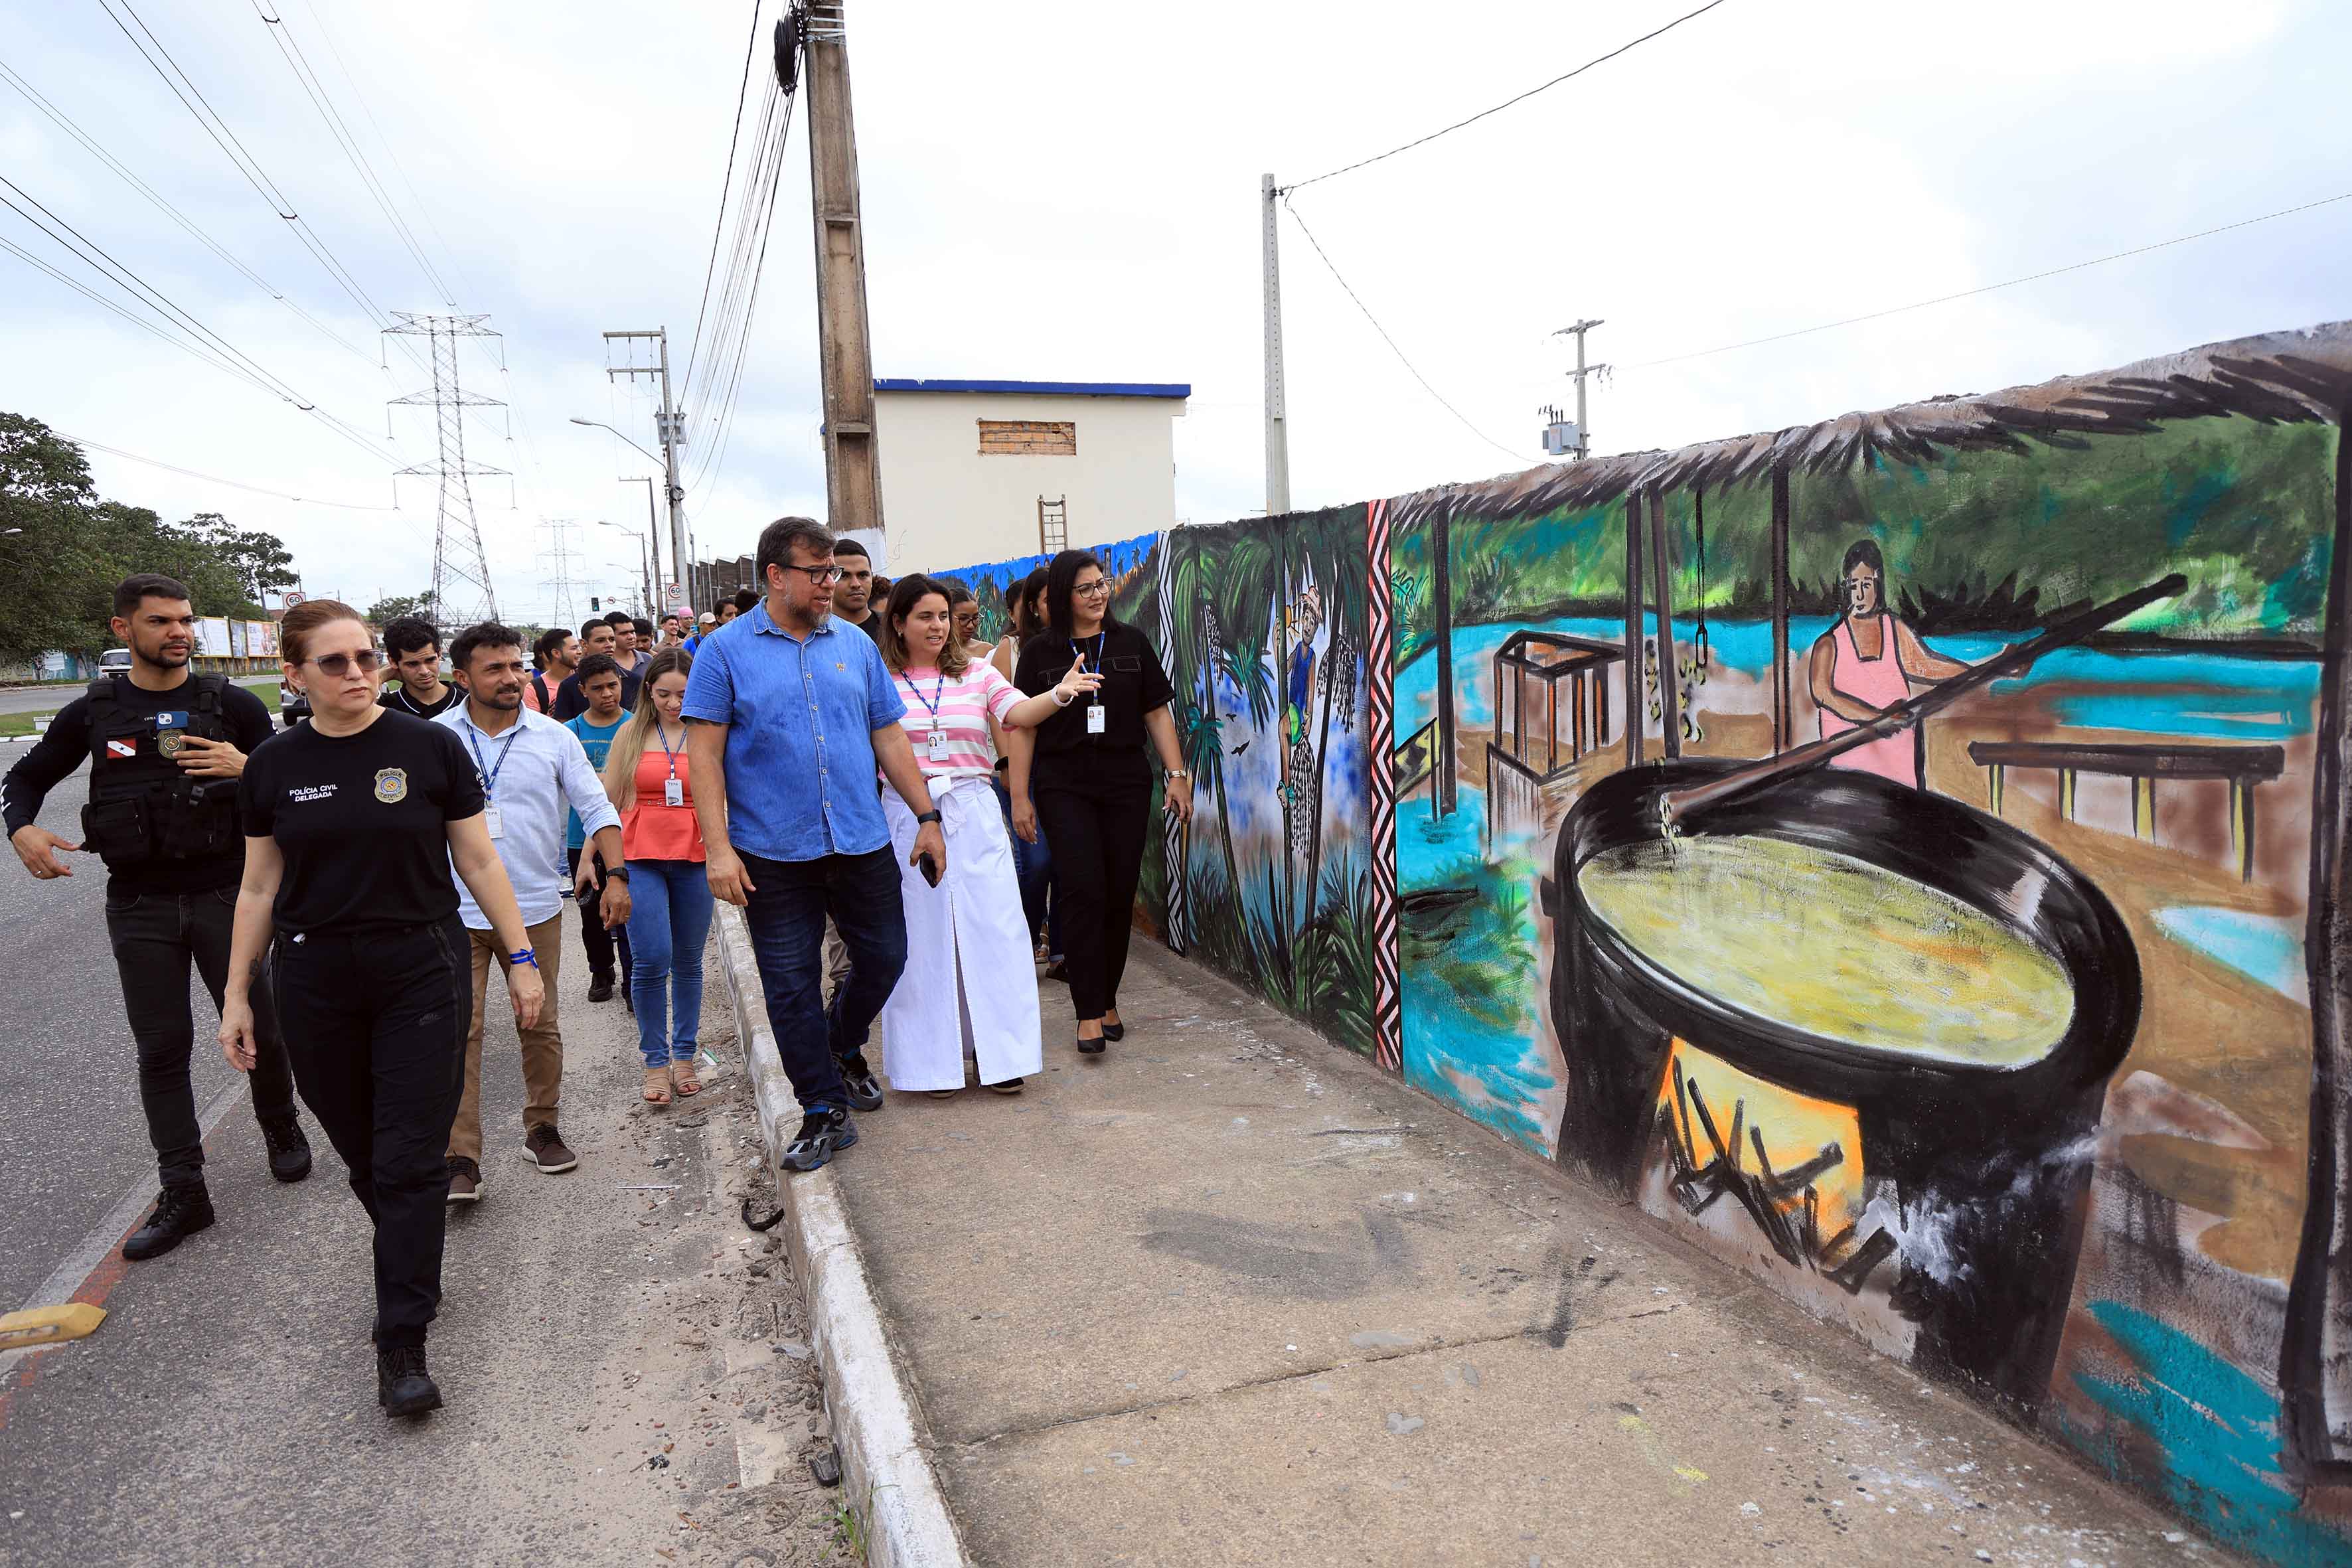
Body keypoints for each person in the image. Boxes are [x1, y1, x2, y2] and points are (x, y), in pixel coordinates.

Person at [219, 598, 542, 1418]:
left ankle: (401, 1339)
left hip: (420, 969)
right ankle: (412, 1248)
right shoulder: (271, 765)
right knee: (364, 1155)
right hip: (315, 978)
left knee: (407, 1160)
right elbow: (258, 885)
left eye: (367, 657)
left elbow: (477, 857)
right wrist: (235, 994)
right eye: (336, 662)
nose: (360, 673)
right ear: (294, 675)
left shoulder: (429, 746)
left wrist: (523, 958)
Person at [4, 574, 311, 1262]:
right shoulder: (94, 710)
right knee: (161, 1048)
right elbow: (24, 779)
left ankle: (280, 1125)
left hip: (227, 897)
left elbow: (296, 788)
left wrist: (249, 763)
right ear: (123, 630)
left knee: (259, 1024)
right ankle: (186, 1190)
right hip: (138, 902)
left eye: (185, 620)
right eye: (161, 621)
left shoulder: (229, 703)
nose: (179, 632)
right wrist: (19, 827)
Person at [682, 516, 947, 1172]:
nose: (833, 584)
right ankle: (823, 1107)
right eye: (819, 573)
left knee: (887, 958)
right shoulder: (723, 652)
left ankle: (840, 1042)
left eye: (836, 572)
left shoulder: (855, 645)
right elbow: (705, 757)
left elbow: (888, 735)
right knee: (791, 984)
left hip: (860, 840)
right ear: (776, 576)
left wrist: (927, 815)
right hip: (772, 854)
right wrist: (718, 850)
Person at [876, 576, 1096, 1097]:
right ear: (900, 623)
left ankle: (1003, 1058)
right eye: (925, 617)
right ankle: (931, 1065)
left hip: (972, 809)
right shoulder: (878, 677)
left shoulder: (976, 673)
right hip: (908, 812)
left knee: (995, 932)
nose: (937, 626)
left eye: (943, 617)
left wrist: (1059, 694)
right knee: (925, 939)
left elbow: (1017, 714)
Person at [436, 623, 628, 1202]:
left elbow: (596, 805)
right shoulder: (434, 738)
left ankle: (541, 1126)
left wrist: (617, 874)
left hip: (537, 907)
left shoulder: (552, 737)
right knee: (458, 1033)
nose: (511, 678)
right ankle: (460, 1156)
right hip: (454, 913)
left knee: (538, 1023)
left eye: (516, 666)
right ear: (462, 678)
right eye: (493, 669)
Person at [1010, 550, 1193, 1054]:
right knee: (1082, 889)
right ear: (1065, 595)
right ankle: (1088, 1010)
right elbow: (1022, 726)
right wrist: (1020, 797)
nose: (1098, 594)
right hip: (1063, 784)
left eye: (1102, 584)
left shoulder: (1132, 642)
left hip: (1124, 782)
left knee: (1117, 892)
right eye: (1086, 587)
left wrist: (1176, 775)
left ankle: (1108, 997)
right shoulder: (1040, 655)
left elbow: (1156, 714)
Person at [601, 648, 711, 1105]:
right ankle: (654, 1061)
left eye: (682, 694)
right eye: (663, 694)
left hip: (696, 854)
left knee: (688, 961)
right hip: (639, 855)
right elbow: (604, 801)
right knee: (651, 958)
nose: (672, 703)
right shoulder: (631, 732)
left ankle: (684, 1056)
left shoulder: (708, 732)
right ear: (649, 691)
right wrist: (597, 861)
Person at [1807, 539, 1972, 789]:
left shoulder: (1895, 628)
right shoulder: (1828, 644)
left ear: (1878, 583)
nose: (1860, 594)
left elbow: (1925, 665)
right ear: (1846, 588)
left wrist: (1976, 673)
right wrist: (1877, 721)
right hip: (1850, 761)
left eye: (1867, 584)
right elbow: (1824, 695)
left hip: (1899, 758)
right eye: (1854, 585)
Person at [992, 566, 1059, 969]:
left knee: (1066, 865)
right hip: (1023, 768)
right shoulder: (1012, 650)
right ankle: (1026, 938)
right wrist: (1007, 768)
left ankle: (1062, 951)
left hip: (1065, 768)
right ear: (1030, 605)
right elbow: (1005, 718)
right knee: (1037, 862)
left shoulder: (1080, 644)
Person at [564, 653, 635, 1004]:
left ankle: (633, 978)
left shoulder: (637, 726)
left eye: (613, 685)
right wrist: (610, 781)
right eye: (598, 688)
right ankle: (600, 971)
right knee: (591, 909)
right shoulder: (570, 732)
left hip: (629, 835)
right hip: (582, 836)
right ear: (583, 690)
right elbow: (566, 783)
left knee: (628, 907)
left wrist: (595, 781)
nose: (607, 693)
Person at [552, 618, 641, 721]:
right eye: (601, 640)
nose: (609, 645)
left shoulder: (635, 681)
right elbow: (564, 729)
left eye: (612, 640)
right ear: (584, 644)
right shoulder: (568, 686)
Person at [378, 617, 462, 721]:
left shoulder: (469, 702)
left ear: (439, 654)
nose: (424, 671)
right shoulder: (384, 708)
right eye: (413, 664)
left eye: (430, 660)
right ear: (393, 662)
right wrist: (380, 677)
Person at [831, 539, 880, 639]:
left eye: (863, 575)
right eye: (844, 576)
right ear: (828, 579)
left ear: (871, 577)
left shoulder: (894, 630)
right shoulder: (813, 635)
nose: (855, 584)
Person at [524, 627, 578, 715]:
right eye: (574, 648)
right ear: (556, 653)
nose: (580, 652)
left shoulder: (586, 678)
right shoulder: (534, 690)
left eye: (578, 647)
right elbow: (534, 726)